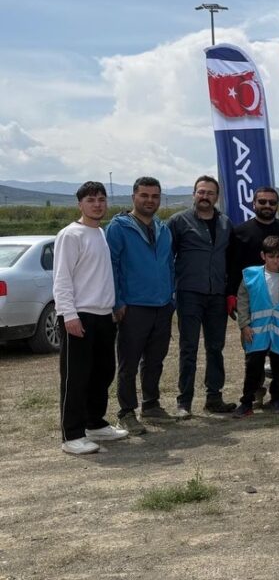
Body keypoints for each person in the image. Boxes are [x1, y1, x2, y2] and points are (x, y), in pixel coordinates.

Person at [55, 181, 129, 455]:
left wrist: (112, 307)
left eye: (101, 199)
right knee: (76, 377)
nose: (97, 204)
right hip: (80, 315)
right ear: (80, 204)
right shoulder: (70, 235)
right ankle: (72, 435)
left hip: (103, 315)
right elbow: (62, 278)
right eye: (91, 200)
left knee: (103, 372)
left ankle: (94, 423)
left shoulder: (100, 233)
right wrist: (69, 315)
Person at [105, 176, 174, 435]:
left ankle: (151, 405)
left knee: (155, 359)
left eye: (155, 196)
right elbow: (111, 266)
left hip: (162, 305)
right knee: (129, 362)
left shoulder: (163, 228)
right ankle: (126, 412)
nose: (149, 200)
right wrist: (117, 301)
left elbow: (169, 265)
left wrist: (171, 296)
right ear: (133, 196)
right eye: (144, 195)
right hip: (133, 306)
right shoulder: (118, 228)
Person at [167, 175, 236, 416]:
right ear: (194, 194)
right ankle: (184, 402)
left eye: (210, 193)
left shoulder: (226, 223)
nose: (205, 196)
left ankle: (214, 398)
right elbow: (166, 258)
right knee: (189, 348)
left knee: (215, 347)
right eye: (201, 192)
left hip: (217, 294)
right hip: (189, 293)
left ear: (217, 197)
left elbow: (230, 259)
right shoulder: (178, 221)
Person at [229, 186, 279, 404]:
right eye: (262, 202)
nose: (267, 205)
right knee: (254, 350)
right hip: (254, 302)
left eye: (272, 202)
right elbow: (233, 265)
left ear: (277, 205)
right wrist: (230, 293)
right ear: (254, 204)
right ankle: (256, 391)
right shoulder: (241, 232)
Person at [232, 236, 279, 418]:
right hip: (256, 332)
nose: (275, 260)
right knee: (253, 368)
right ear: (263, 256)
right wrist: (244, 325)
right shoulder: (251, 276)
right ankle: (247, 402)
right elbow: (243, 301)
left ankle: (276, 399)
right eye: (271, 256)